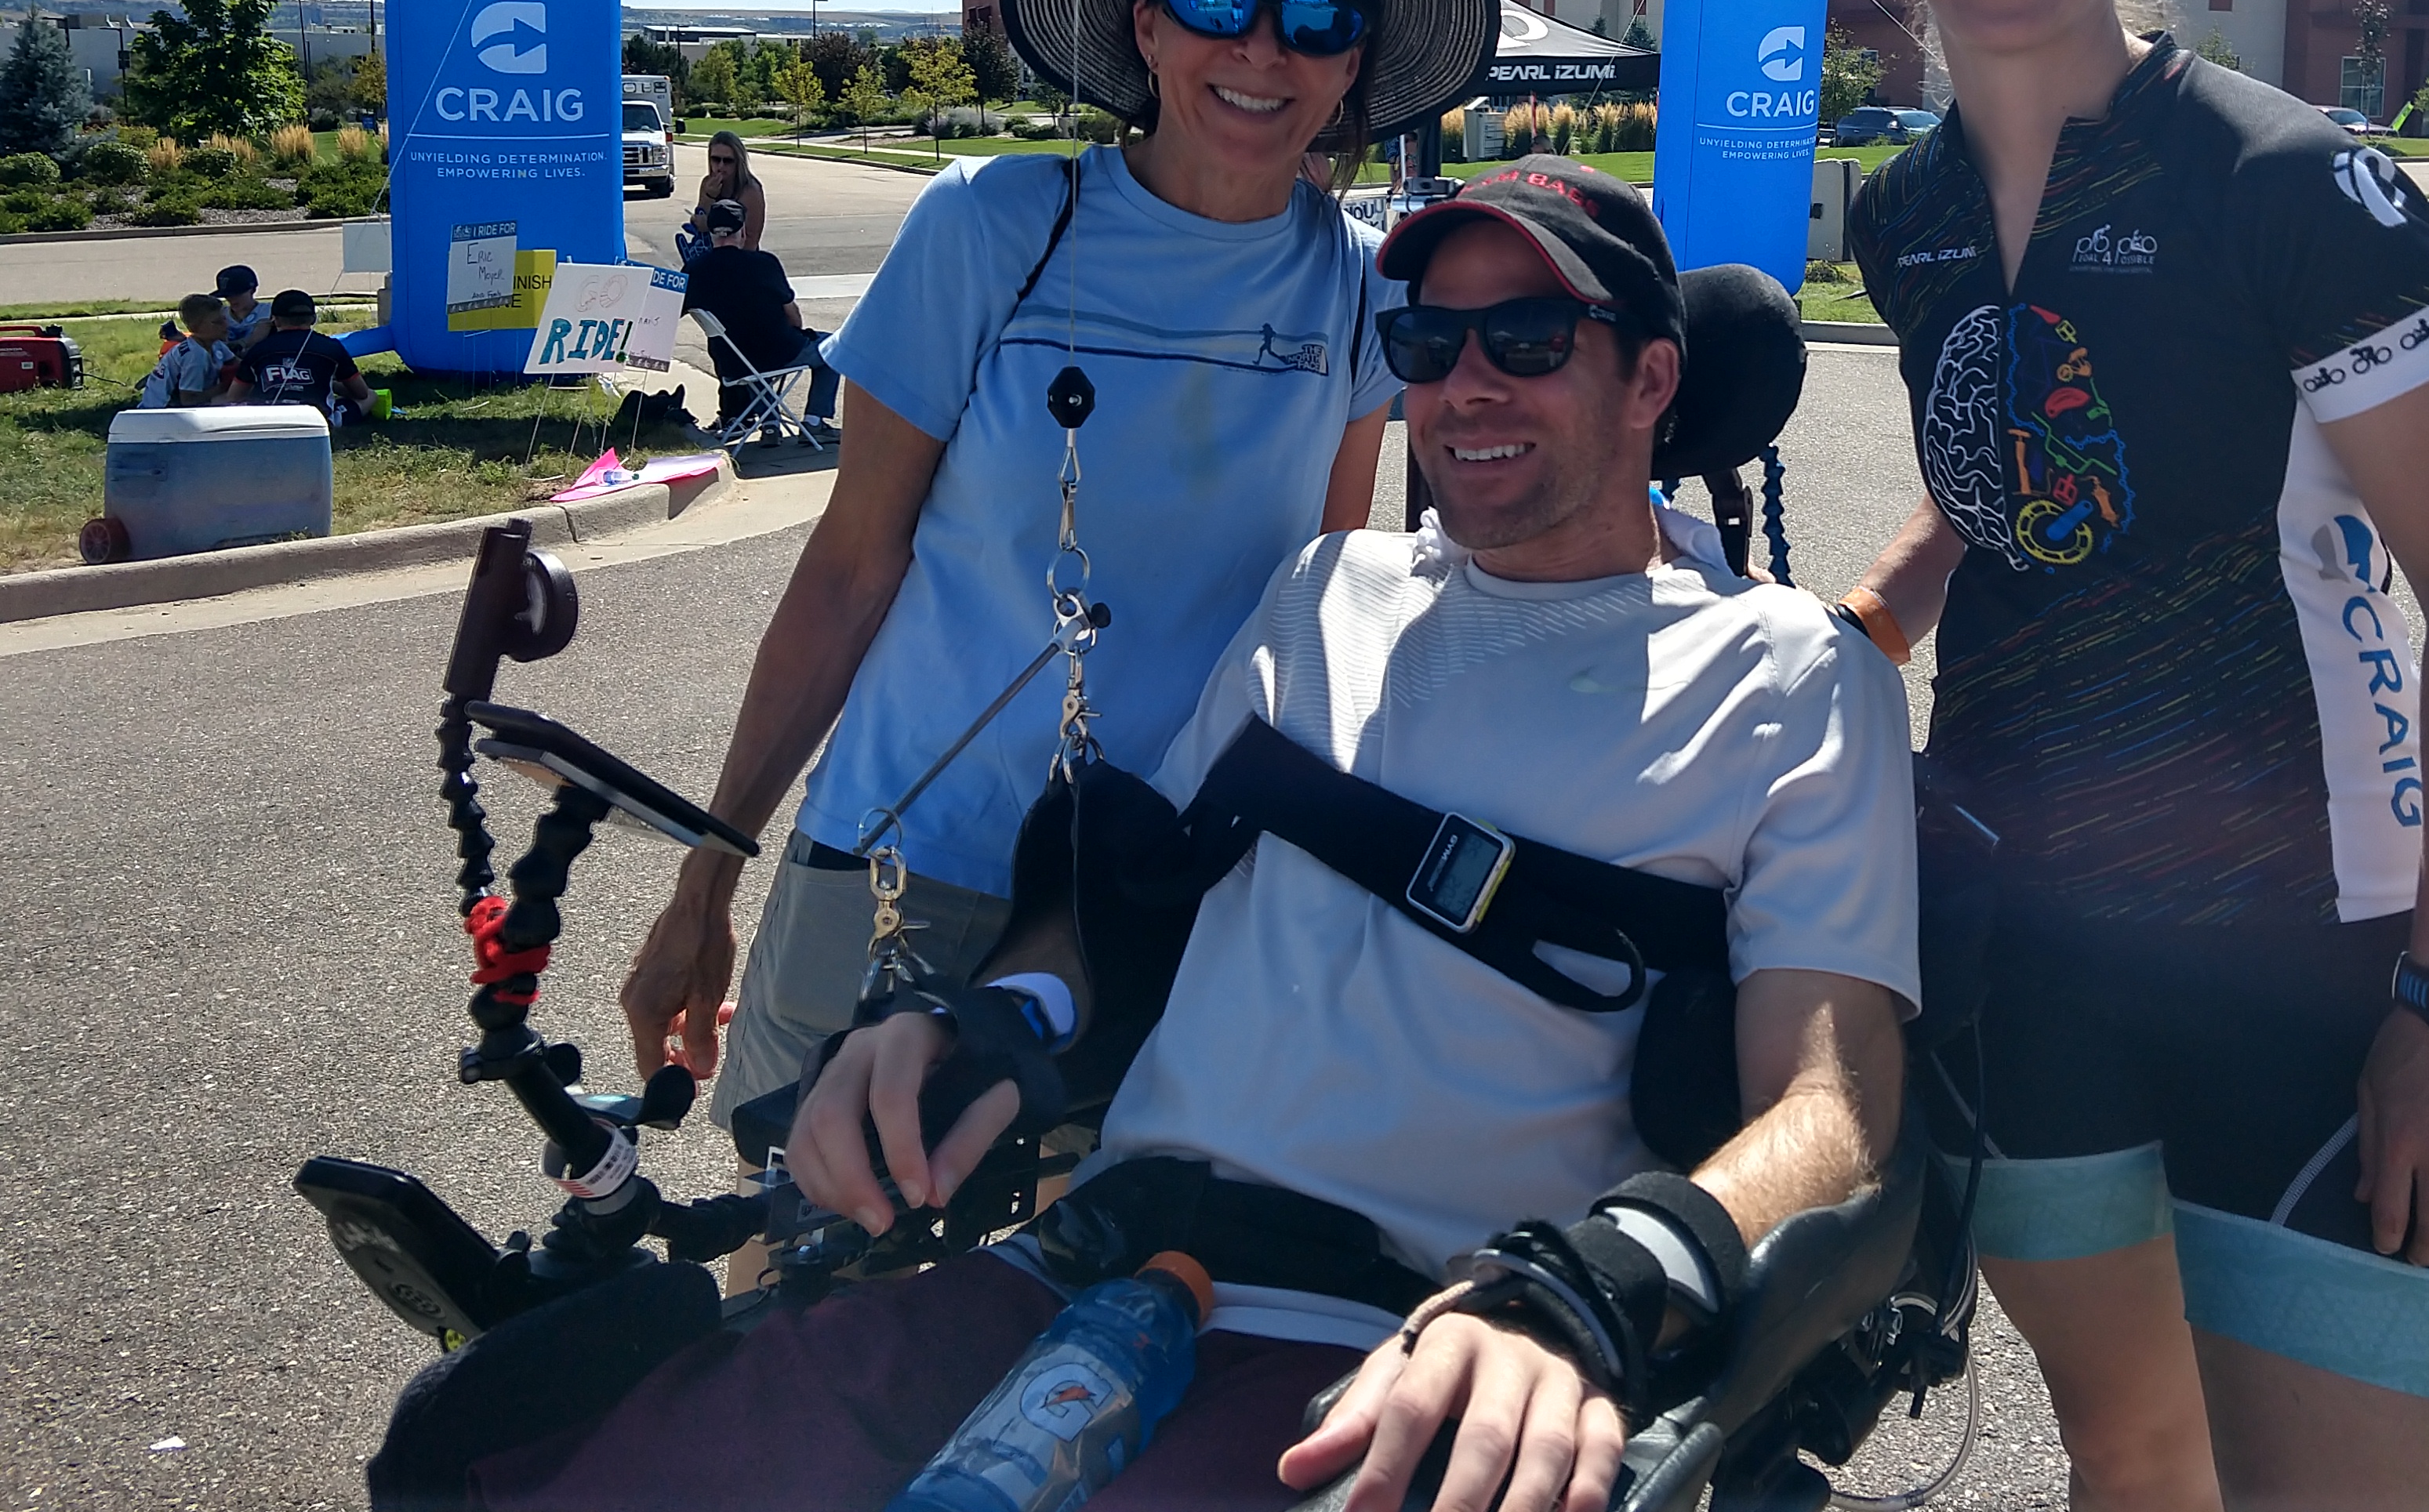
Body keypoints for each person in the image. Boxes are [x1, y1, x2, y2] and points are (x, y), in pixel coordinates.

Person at [476, 162, 1919, 1512]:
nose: (1464, 381)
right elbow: (1129, 904)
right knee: (524, 1449)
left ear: (1652, 376)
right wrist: (983, 1019)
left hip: (1414, 1338)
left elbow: (1835, 1113)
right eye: (1427, 341)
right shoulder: (1324, 589)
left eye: (1530, 336)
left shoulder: (1786, 676)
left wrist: (1595, 1282)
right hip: (1089, 1262)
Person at [1837, 0, 2429, 1512]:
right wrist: (1856, 634)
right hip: (2024, 941)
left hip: (2301, 957)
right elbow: (2010, 453)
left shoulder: (2291, 186)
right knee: (2137, 1465)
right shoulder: (1906, 212)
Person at [621, 0, 1504, 1166]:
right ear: (1146, 25)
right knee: (795, 1282)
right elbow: (852, 564)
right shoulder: (989, 225)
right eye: (1220, 0)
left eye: (1317, 18)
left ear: (1354, 65)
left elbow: (1325, 599)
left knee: (1048, 1300)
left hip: (1150, 884)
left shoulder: (1362, 286)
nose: (1265, 50)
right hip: (901, 853)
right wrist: (708, 865)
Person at [679, 200, 837, 431]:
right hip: (778, 353)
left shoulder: (694, 270)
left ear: (711, 233)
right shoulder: (765, 264)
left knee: (751, 361)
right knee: (835, 347)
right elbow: (793, 314)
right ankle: (814, 421)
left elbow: (674, 312)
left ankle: (771, 423)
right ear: (742, 232)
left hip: (732, 364)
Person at [222, 288, 371, 425]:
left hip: (267, 420)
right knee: (371, 396)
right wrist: (330, 384)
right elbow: (361, 393)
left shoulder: (258, 350)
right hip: (317, 422)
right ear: (313, 319)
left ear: (275, 320)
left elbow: (234, 397)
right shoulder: (331, 347)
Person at [680, 130, 766, 267]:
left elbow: (751, 240)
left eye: (727, 161)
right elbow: (701, 219)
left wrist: (709, 225)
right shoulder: (708, 183)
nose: (720, 166)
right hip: (711, 259)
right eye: (715, 159)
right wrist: (710, 196)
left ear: (738, 162)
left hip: (742, 263)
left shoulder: (750, 190)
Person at [136, 293, 234, 408]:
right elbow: (188, 400)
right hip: (161, 411)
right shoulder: (196, 356)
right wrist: (225, 387)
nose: (226, 325)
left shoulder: (215, 344)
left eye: (224, 319)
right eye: (217, 322)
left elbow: (238, 365)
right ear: (194, 327)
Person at [212, 263, 273, 356]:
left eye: (237, 294)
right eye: (227, 295)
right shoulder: (220, 314)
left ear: (252, 290)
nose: (231, 299)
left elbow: (263, 331)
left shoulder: (267, 310)